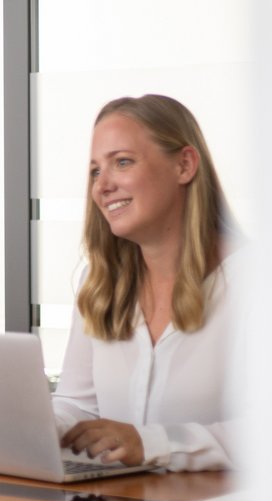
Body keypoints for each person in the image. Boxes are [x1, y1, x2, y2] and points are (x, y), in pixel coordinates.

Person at [52, 94, 242, 472]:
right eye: (94, 171)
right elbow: (78, 404)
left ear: (185, 165)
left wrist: (151, 443)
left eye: (122, 162)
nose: (102, 186)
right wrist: (33, 428)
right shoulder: (100, 281)